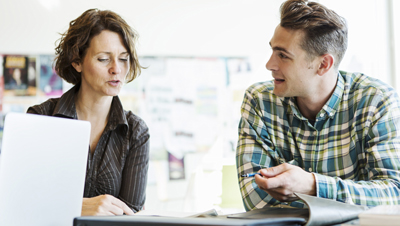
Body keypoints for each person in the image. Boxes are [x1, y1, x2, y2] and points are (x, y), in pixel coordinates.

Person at [236, 0, 400, 210]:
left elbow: (394, 193)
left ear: (323, 64)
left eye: (283, 55)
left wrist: (314, 186)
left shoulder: (376, 101)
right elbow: (256, 199)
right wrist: (349, 201)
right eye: (272, 51)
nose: (270, 65)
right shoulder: (259, 101)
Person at [27, 9, 150, 216]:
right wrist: (77, 207)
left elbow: (130, 215)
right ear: (77, 61)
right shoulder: (41, 118)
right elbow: (23, 201)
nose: (116, 69)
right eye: (103, 59)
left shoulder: (136, 132)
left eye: (123, 58)